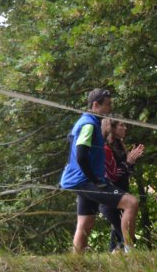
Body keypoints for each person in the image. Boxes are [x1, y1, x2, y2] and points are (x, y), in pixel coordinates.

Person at [60, 89, 140, 253]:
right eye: (108, 104)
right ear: (96, 105)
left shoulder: (89, 122)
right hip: (84, 180)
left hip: (81, 179)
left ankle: (76, 262)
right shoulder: (88, 125)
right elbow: (81, 156)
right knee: (131, 203)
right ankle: (130, 253)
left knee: (85, 223)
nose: (110, 108)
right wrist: (95, 180)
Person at [100, 118, 145, 252]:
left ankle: (115, 258)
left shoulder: (120, 145)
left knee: (118, 237)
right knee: (126, 237)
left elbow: (125, 172)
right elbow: (112, 175)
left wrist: (132, 160)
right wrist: (128, 162)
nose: (125, 128)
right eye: (121, 125)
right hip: (110, 197)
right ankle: (129, 255)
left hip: (122, 192)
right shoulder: (106, 148)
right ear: (112, 128)